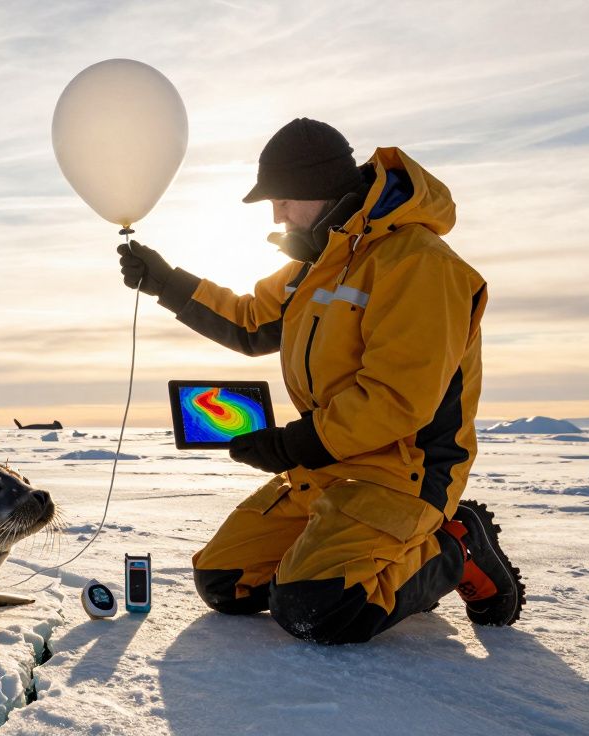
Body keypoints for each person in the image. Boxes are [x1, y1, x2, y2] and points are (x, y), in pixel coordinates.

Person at [117, 118, 524, 644]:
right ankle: (358, 557)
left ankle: (454, 546)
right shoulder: (318, 262)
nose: (277, 213)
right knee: (226, 583)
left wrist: (291, 445)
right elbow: (250, 322)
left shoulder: (419, 264)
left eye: (284, 199)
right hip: (328, 468)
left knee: (317, 606)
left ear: (322, 188)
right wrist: (166, 282)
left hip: (402, 474)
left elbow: (396, 400)